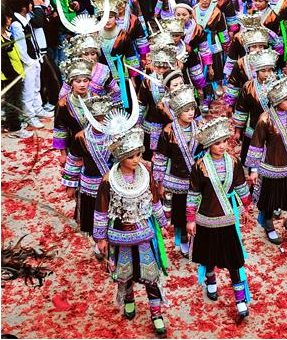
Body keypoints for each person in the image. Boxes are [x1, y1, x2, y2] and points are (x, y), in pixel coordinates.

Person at [92, 121, 170, 336]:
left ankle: (156, 314)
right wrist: (100, 238)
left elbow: (154, 200)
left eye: (138, 155)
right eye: (131, 156)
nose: (136, 160)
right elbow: (101, 210)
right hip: (120, 236)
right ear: (120, 157)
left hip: (144, 233)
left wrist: (162, 223)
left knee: (151, 275)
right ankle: (128, 299)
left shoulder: (145, 173)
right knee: (124, 272)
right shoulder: (108, 180)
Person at [186, 117, 253, 321]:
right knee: (208, 255)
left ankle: (240, 301)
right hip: (206, 218)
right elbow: (193, 194)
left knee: (234, 260)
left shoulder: (233, 162)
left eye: (224, 141)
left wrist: (246, 206)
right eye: (217, 143)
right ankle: (211, 282)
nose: (222, 146)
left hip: (227, 219)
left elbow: (241, 185)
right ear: (208, 145)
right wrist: (190, 219)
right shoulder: (199, 166)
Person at [246, 75, 287, 245]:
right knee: (269, 201)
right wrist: (254, 169)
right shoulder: (265, 119)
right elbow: (257, 144)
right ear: (276, 100)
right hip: (271, 165)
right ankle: (269, 226)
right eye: (286, 99)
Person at [61, 95, 114, 257]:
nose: (101, 122)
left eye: (104, 119)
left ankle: (112, 241)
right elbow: (74, 160)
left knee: (112, 214)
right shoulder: (81, 137)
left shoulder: (115, 134)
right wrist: (70, 185)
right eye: (97, 119)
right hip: (90, 185)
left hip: (112, 184)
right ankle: (98, 241)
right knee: (92, 215)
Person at [153, 85, 202, 258]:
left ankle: (197, 239)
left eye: (192, 109)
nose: (190, 113)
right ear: (178, 112)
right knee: (180, 213)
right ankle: (183, 239)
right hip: (177, 179)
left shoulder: (199, 127)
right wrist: (159, 182)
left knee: (197, 210)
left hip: (197, 179)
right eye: (186, 110)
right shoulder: (168, 131)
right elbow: (161, 157)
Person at [8, 0, 52, 129]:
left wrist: (36, 58)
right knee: (28, 89)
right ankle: (29, 115)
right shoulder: (16, 24)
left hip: (35, 57)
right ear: (23, 7)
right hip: (28, 62)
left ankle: (38, 109)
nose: (32, 5)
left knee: (36, 87)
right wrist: (29, 61)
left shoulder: (26, 18)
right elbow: (21, 46)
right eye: (30, 3)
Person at [232, 48, 277, 164]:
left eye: (269, 70)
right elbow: (241, 110)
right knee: (252, 161)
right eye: (263, 71)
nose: (267, 74)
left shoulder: (277, 84)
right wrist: (238, 131)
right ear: (256, 71)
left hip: (275, 128)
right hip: (253, 127)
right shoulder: (248, 87)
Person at [53, 57, 96, 166]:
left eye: (85, 81)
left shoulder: (95, 98)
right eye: (78, 81)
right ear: (71, 83)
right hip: (73, 146)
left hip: (95, 146)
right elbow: (60, 129)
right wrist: (63, 154)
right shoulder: (63, 104)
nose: (82, 85)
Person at [1, 7, 32, 138]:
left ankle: (11, 123)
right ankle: (14, 129)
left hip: (16, 72)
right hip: (10, 76)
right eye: (7, 18)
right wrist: (14, 75)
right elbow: (3, 62)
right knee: (12, 102)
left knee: (14, 100)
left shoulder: (6, 33)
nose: (10, 20)